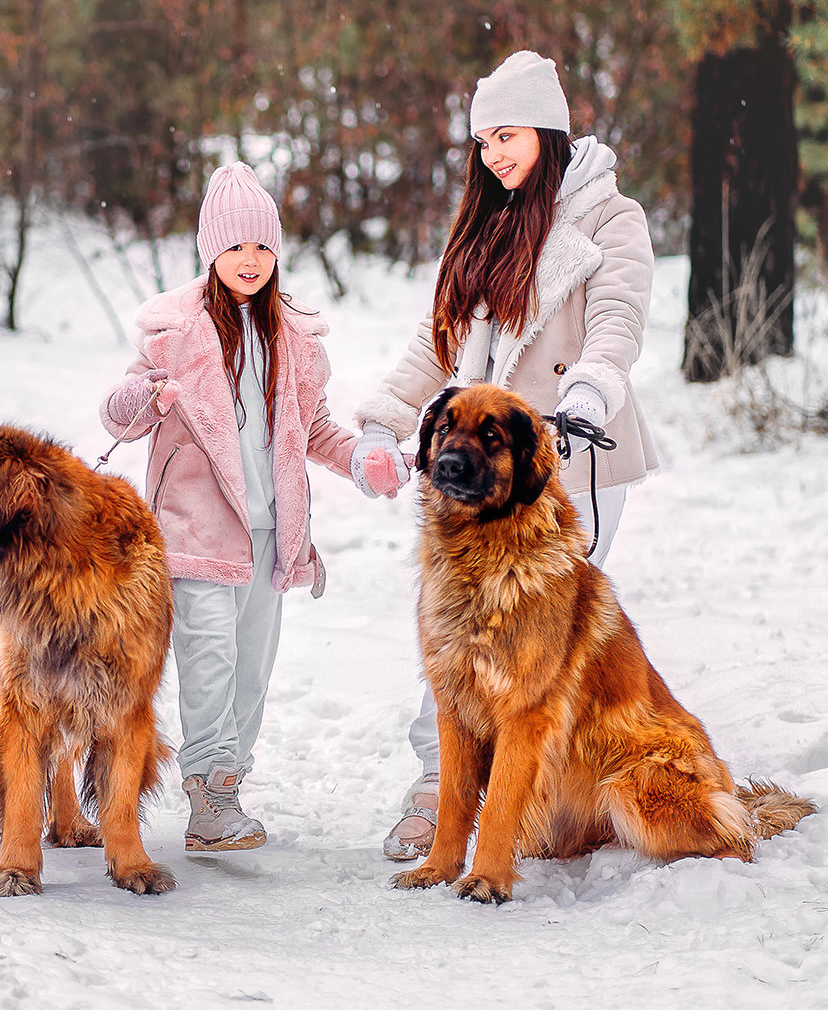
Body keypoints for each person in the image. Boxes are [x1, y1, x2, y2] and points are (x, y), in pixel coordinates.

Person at [349, 49, 662, 861]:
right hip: (472, 466)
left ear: (549, 132)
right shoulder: (485, 224)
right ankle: (441, 788)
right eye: (483, 140)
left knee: (531, 644)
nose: (495, 154)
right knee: (453, 628)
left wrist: (589, 392)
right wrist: (383, 420)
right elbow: (435, 344)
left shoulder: (608, 215)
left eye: (509, 134)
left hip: (569, 458)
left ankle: (542, 789)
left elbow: (619, 318)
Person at [100, 162, 402, 852]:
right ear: (212, 251)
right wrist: (143, 396)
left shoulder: (291, 338)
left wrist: (360, 460)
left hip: (272, 533)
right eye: (236, 247)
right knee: (211, 660)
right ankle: (206, 796)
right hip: (195, 529)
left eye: (263, 247)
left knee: (252, 670)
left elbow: (315, 428)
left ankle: (229, 787)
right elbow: (121, 418)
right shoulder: (173, 334)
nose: (251, 260)